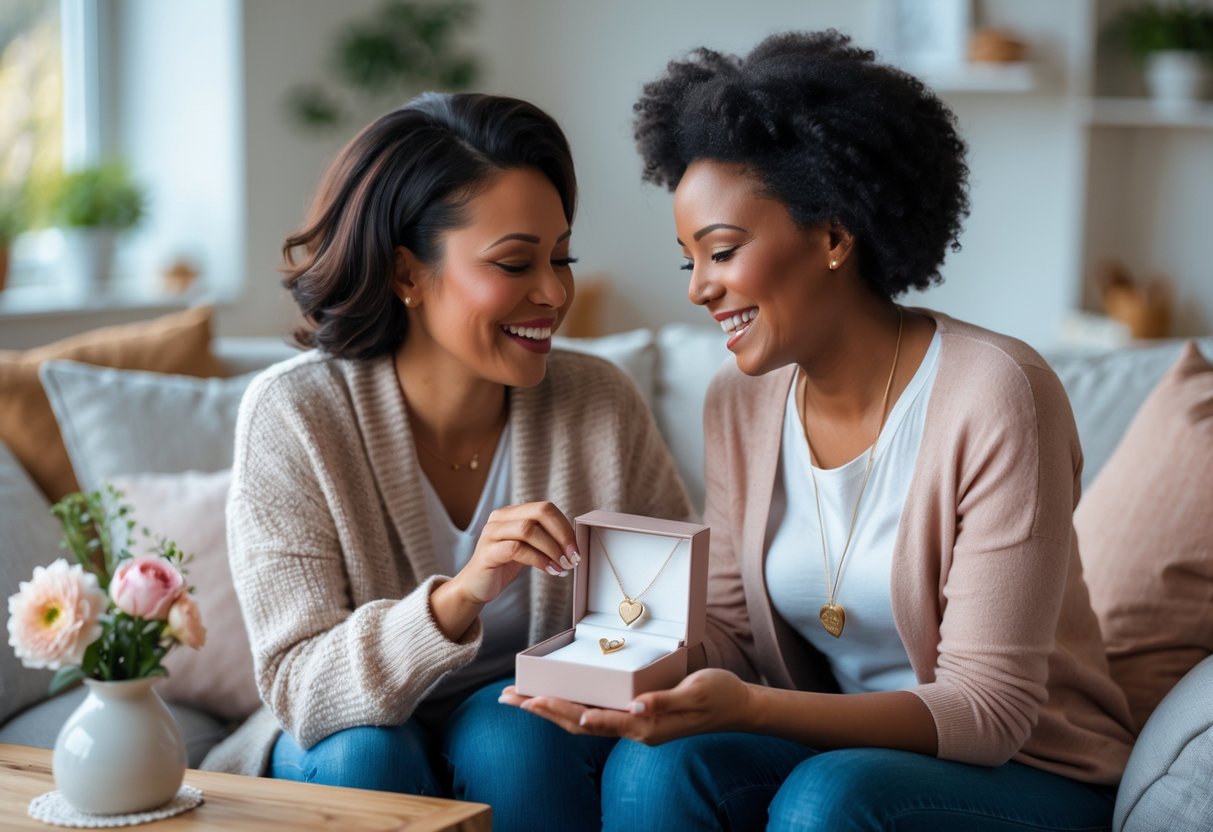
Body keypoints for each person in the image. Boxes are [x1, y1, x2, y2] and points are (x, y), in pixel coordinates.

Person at [502, 31, 1137, 831]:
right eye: (685, 261)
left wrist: (753, 709)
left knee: (824, 799)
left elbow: (987, 712)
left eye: (722, 252)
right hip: (834, 753)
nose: (699, 290)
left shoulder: (997, 393)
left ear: (834, 236)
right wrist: (612, 657)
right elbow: (732, 636)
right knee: (652, 767)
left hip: (1029, 772)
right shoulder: (739, 402)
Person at [207, 92, 691, 831]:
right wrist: (458, 597)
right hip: (347, 738)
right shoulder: (295, 415)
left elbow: (670, 624)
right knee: (365, 754)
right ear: (407, 273)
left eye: (562, 257)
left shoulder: (600, 403)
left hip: (525, 733)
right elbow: (298, 685)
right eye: (515, 262)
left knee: (515, 737)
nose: (555, 292)